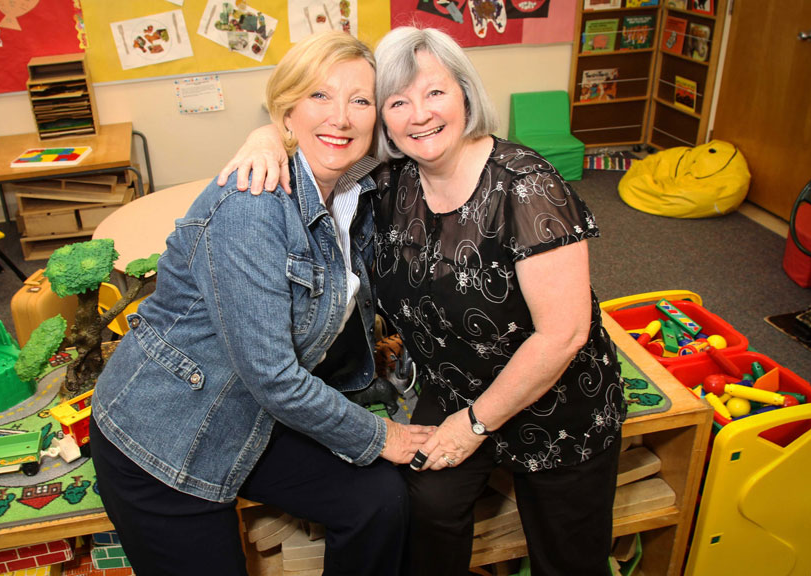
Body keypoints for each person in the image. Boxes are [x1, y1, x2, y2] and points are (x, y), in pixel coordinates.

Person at [221, 26, 625, 576]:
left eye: (435, 93)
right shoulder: (386, 180)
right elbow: (321, 137)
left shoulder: (527, 185)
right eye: (397, 101)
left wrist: (475, 425)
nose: (419, 115)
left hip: (556, 403)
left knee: (569, 557)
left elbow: (564, 334)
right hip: (453, 386)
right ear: (383, 119)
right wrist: (266, 135)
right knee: (424, 513)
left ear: (464, 93)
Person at [90, 31, 432, 576]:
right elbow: (275, 377)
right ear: (287, 111)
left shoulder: (355, 187)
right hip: (167, 438)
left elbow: (435, 141)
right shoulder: (252, 207)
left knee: (377, 502)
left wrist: (268, 133)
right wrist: (380, 435)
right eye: (318, 96)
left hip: (255, 415)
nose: (341, 118)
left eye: (360, 100)